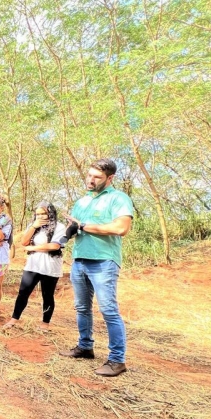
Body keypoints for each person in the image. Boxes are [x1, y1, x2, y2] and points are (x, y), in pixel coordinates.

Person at [58, 159, 133, 377]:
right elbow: (75, 227)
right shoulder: (82, 202)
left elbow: (121, 228)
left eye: (97, 177)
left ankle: (117, 360)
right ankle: (85, 347)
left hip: (103, 261)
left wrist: (84, 226)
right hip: (79, 260)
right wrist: (66, 234)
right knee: (82, 308)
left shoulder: (118, 198)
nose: (91, 180)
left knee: (109, 310)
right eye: (89, 175)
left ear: (110, 178)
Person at [2, 202, 65, 331]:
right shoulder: (33, 226)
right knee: (23, 293)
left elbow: (54, 246)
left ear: (50, 213)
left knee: (47, 295)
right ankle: (14, 319)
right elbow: (23, 242)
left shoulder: (60, 227)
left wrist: (32, 248)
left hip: (50, 266)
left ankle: (45, 323)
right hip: (32, 265)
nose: (40, 217)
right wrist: (33, 227)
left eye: (43, 214)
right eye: (37, 214)